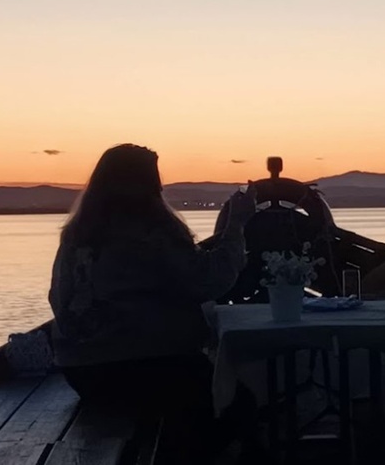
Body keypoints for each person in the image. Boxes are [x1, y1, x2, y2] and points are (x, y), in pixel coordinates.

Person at [48, 144, 257, 464]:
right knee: (239, 405)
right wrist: (235, 226)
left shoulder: (76, 235)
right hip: (141, 367)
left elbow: (57, 298)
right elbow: (208, 282)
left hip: (81, 373)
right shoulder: (151, 232)